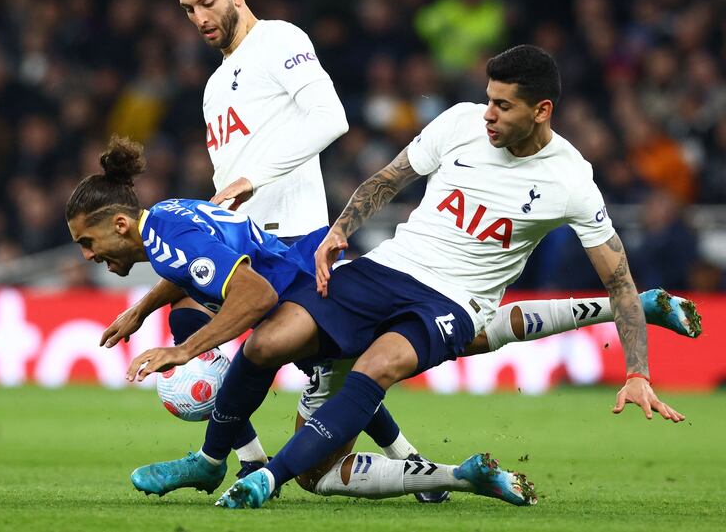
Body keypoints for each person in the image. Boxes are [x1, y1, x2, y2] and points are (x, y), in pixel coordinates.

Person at [117, 45, 688, 509]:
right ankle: (227, 459)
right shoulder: (462, 124)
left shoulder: (570, 180)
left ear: (542, 111)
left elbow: (617, 277)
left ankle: (267, 478)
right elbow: (388, 179)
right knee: (269, 342)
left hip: (454, 300)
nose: (488, 114)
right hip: (387, 267)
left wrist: (637, 371)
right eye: (488, 100)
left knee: (383, 363)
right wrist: (341, 228)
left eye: (504, 107)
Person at [99, 0, 453, 502]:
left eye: (207, 3)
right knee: (187, 318)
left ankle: (405, 462)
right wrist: (139, 306)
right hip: (246, 244)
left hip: (295, 239)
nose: (199, 19)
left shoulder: (280, 40)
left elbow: (330, 117)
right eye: (189, 10)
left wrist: (252, 178)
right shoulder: (216, 87)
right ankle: (247, 462)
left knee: (324, 364)